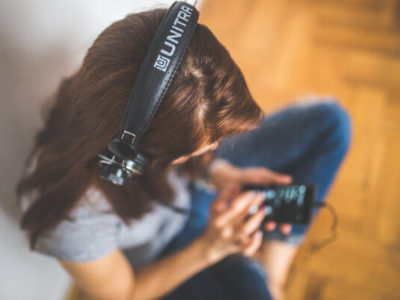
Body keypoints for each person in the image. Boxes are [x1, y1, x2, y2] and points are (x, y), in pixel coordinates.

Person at [16, 6, 352, 300]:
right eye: (199, 147)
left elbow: (198, 150)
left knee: (330, 123)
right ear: (131, 158)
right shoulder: (69, 215)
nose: (216, 148)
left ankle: (271, 273)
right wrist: (210, 247)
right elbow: (125, 293)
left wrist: (217, 173)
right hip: (172, 253)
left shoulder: (115, 84)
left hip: (193, 189)